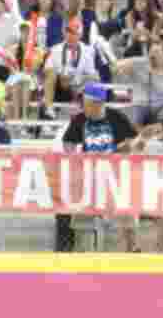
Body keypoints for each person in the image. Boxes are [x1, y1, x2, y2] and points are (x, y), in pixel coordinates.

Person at [61, 83, 156, 252]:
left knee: (127, 210)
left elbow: (135, 142)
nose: (84, 107)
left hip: (115, 175)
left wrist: (132, 146)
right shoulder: (79, 119)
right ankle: (81, 253)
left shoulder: (117, 117)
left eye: (87, 104)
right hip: (88, 176)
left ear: (98, 104)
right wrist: (74, 156)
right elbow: (67, 143)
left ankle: (132, 249)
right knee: (81, 219)